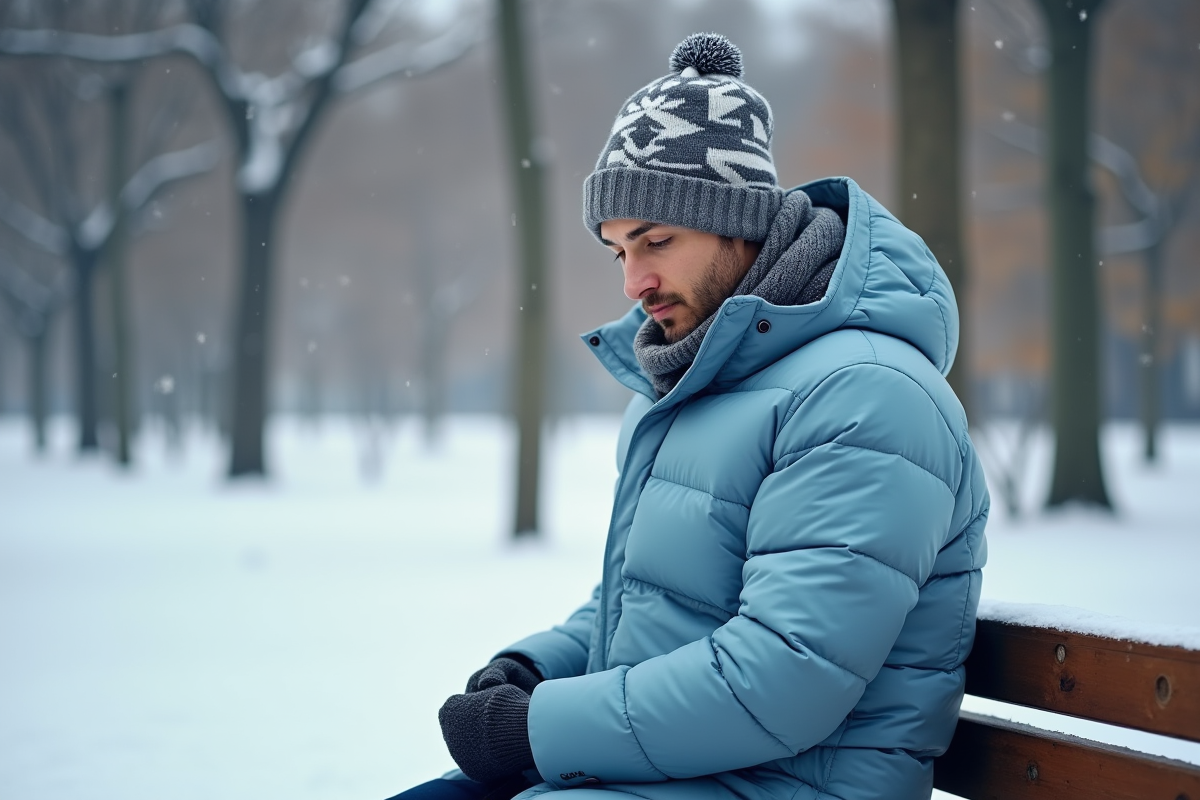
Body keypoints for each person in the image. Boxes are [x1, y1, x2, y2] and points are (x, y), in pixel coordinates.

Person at [393, 32, 988, 800]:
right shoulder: (705, 383)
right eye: (617, 251)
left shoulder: (866, 397)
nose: (634, 280)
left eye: (657, 240)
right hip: (684, 768)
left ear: (738, 221)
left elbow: (783, 679)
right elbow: (655, 604)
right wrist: (537, 668)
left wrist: (534, 725)